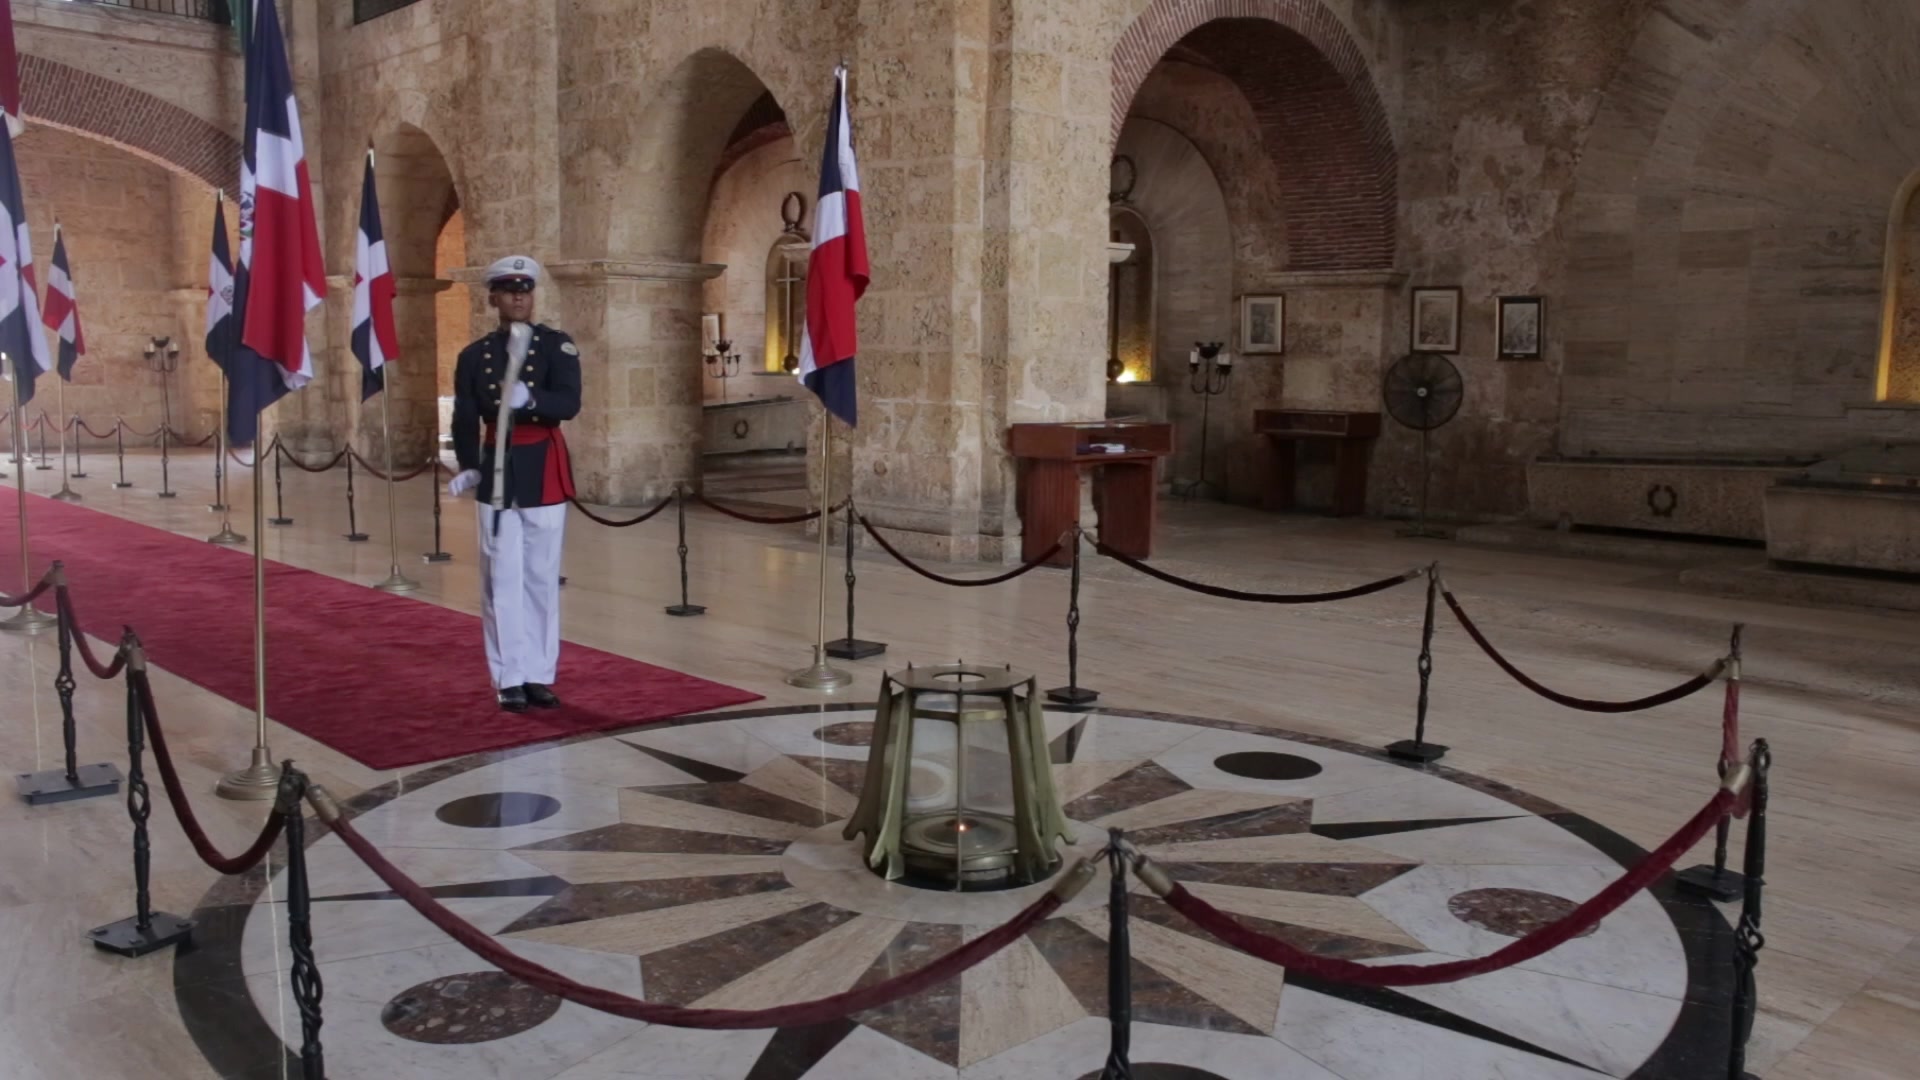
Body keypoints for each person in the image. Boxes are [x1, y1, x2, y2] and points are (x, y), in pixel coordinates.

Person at [448, 256, 581, 713]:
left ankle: (540, 674)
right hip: (497, 470)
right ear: (494, 298)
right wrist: (468, 464)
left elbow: (569, 403)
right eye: (509, 291)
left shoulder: (556, 346)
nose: (519, 297)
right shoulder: (474, 355)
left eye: (525, 290)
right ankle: (509, 676)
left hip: (541, 463)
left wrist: (533, 399)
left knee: (542, 578)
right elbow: (465, 414)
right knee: (500, 578)